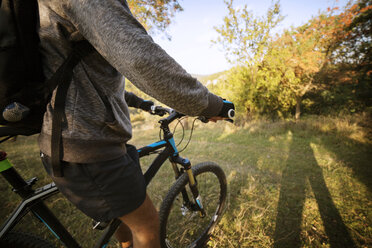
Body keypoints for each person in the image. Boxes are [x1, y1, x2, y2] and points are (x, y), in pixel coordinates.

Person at [38, 0, 233, 247]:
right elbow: (142, 59)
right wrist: (212, 105)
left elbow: (100, 84)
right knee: (148, 226)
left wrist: (146, 105)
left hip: (79, 138)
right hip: (86, 143)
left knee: (125, 218)